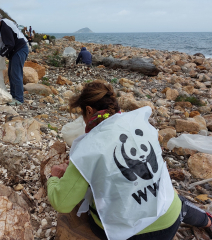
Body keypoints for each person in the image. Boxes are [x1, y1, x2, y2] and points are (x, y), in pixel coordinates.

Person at [47, 80, 212, 240]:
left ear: (89, 110)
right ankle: (207, 220)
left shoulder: (87, 147)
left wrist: (54, 177)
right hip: (169, 223)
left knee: (84, 203)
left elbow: (62, 204)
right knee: (173, 198)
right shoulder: (140, 123)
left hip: (128, 234)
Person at [0, 10, 29, 106]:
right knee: (11, 73)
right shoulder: (3, 24)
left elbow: (10, 44)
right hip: (16, 51)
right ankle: (13, 96)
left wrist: (0, 54)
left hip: (19, 50)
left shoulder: (4, 26)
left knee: (16, 74)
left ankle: (19, 99)